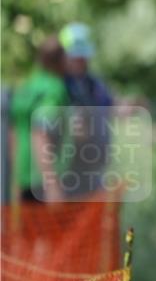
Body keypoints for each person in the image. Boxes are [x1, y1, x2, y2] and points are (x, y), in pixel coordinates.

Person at [58, 22, 115, 198]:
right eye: (76, 57)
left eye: (83, 57)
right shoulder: (58, 87)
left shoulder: (93, 84)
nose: (81, 62)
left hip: (94, 171)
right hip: (68, 174)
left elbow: (110, 105)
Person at [10, 36, 69, 202]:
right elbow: (40, 132)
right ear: (61, 60)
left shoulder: (26, 87)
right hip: (43, 180)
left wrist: (15, 180)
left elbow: (13, 133)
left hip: (22, 178)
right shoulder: (54, 88)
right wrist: (52, 185)